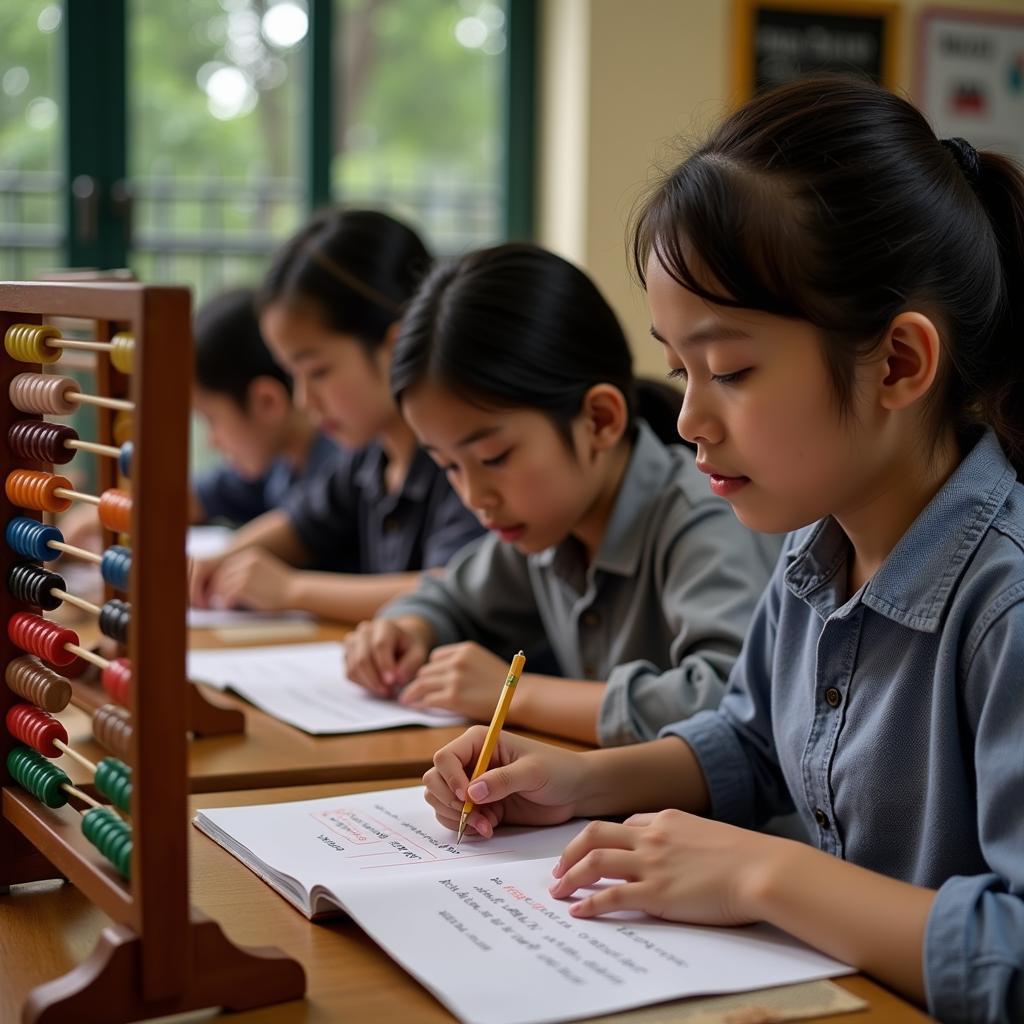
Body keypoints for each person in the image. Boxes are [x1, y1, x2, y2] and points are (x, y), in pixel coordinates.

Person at [423, 78, 1024, 1023]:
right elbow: (754, 742)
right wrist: (582, 781)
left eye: (732, 370)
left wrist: (762, 875)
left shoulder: (1006, 608)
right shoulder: (813, 551)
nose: (692, 420)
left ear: (899, 364)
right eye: (678, 368)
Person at [344, 243, 778, 745]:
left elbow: (729, 699)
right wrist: (407, 628)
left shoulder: (702, 520)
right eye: (448, 467)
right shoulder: (548, 529)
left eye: (494, 458)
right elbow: (451, 596)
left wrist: (516, 695)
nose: (474, 495)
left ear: (599, 420)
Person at [188, 209, 484, 621]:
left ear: (394, 346)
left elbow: (456, 588)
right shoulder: (370, 457)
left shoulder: (462, 458)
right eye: (294, 375)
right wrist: (220, 560)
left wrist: (292, 589)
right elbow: (300, 522)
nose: (305, 401)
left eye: (318, 372)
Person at [191, 287, 338, 526]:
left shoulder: (341, 477)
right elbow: (196, 497)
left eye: (211, 418)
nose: (212, 440)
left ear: (267, 403)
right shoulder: (278, 468)